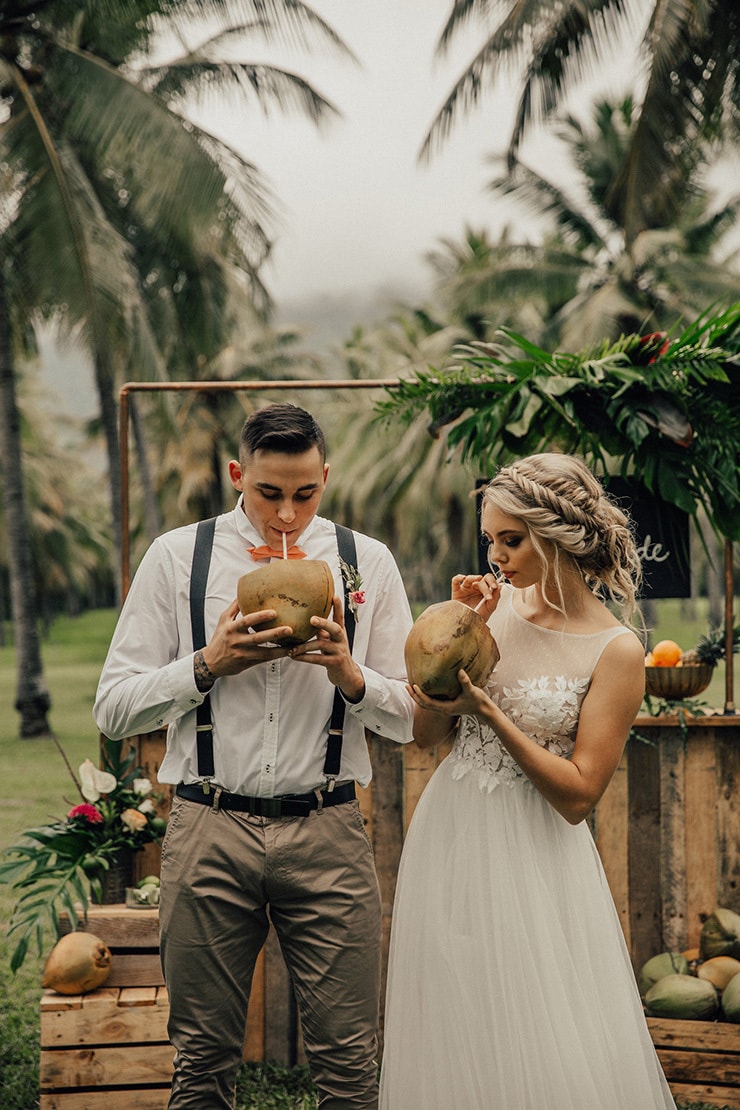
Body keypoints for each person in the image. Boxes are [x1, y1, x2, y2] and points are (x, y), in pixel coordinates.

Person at [94, 403, 415, 1109]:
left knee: (351, 1063)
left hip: (329, 826)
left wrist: (349, 675)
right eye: (269, 493)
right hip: (209, 826)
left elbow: (411, 715)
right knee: (201, 1063)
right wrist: (206, 665)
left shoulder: (367, 562)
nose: (287, 515)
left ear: (325, 477)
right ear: (238, 474)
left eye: (306, 494)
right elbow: (113, 708)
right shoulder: (178, 556)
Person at [379, 452, 676, 1110]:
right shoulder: (490, 612)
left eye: (511, 541)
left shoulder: (617, 650)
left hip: (536, 852)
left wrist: (489, 710)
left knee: (539, 1016)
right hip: (452, 832)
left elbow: (578, 796)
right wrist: (460, 640)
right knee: (457, 1009)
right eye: (490, 540)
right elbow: (427, 740)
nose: (497, 557)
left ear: (555, 537)